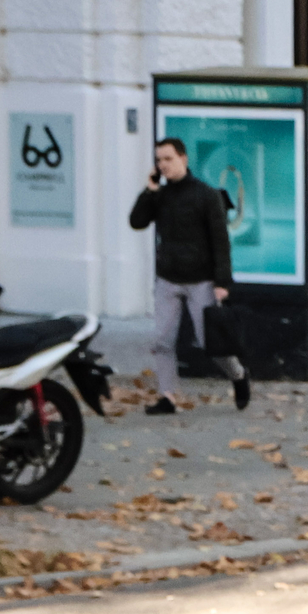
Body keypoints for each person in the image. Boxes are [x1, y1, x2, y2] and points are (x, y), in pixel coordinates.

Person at [128, 138, 247, 414]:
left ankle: (239, 375)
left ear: (184, 159)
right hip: (168, 278)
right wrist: (149, 190)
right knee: (162, 340)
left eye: (168, 159)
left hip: (200, 279)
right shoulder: (161, 194)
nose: (163, 165)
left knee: (211, 342)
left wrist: (221, 283)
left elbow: (220, 240)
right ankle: (168, 396)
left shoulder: (206, 195)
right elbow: (137, 221)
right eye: (159, 160)